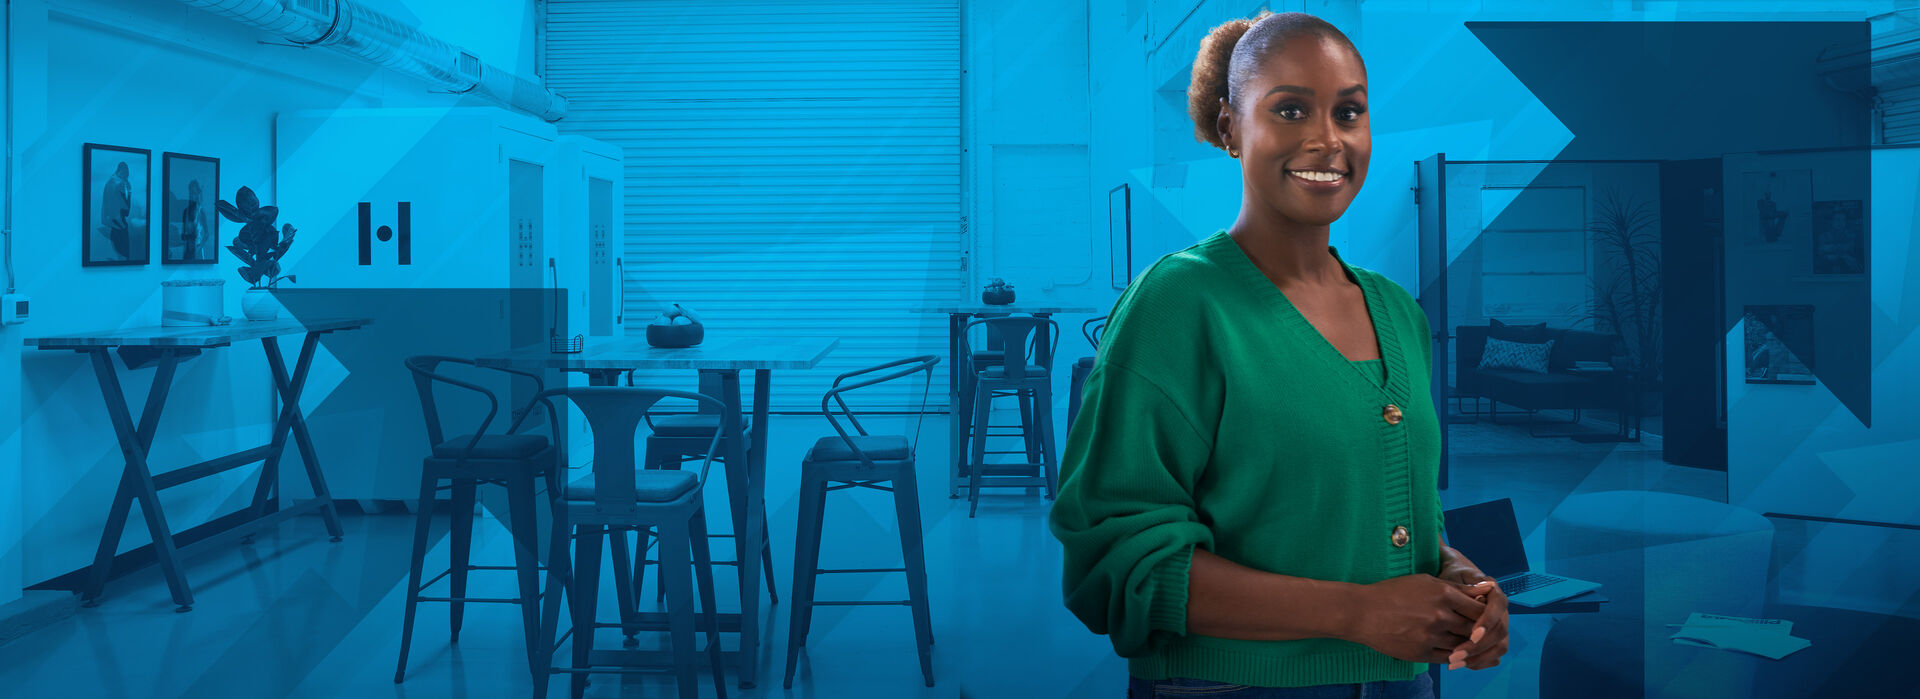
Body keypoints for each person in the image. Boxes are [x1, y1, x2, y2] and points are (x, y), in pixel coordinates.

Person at [1047, 11, 1508, 698]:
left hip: (1405, 684)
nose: (1327, 139)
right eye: (1290, 109)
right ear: (1230, 126)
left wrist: (1456, 574)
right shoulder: (1177, 305)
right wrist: (1357, 613)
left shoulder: (1398, 313)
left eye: (1348, 112)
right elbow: (1115, 560)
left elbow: (1383, 510)